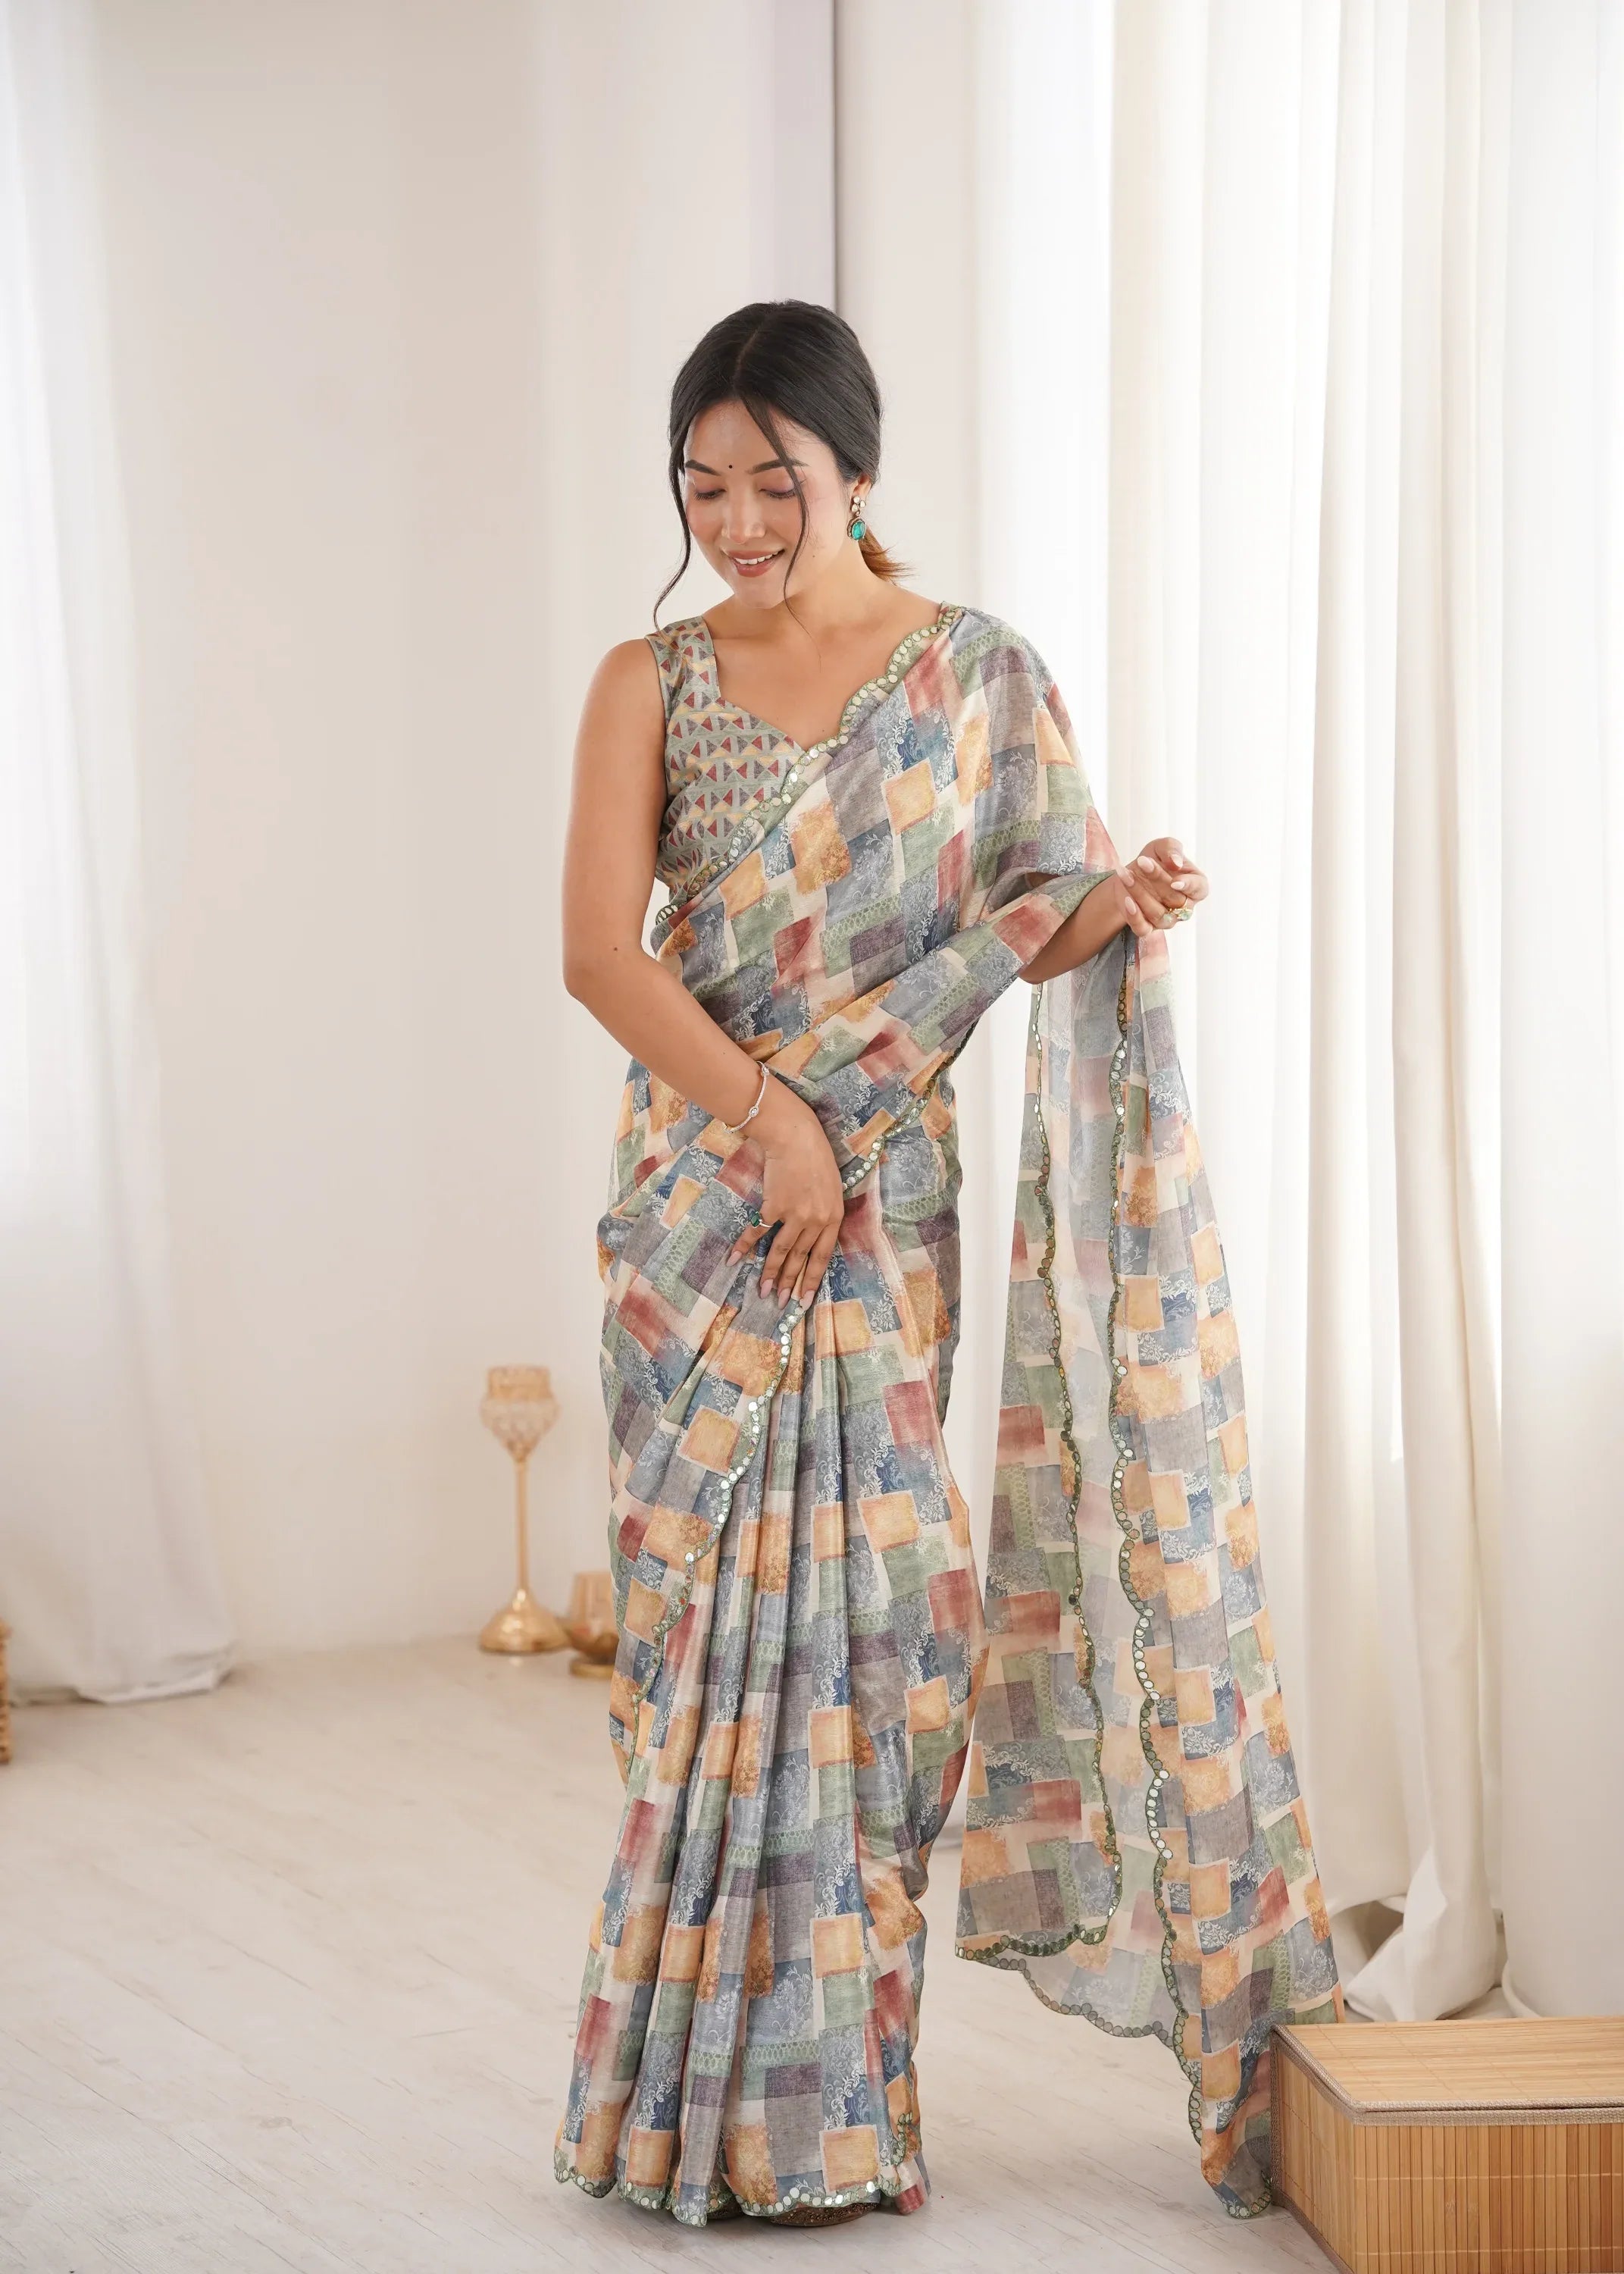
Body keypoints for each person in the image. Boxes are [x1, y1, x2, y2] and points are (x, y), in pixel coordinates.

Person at [553, 301, 1341, 2231]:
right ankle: (673, 2117)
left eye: (774, 481)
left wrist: (1116, 907)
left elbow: (1023, 917)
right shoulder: (647, 679)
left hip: (879, 1226)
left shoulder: (972, 678)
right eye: (702, 485)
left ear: (856, 476)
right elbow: (598, 954)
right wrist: (768, 1120)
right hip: (717, 1218)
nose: (736, 520)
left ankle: (836, 2118)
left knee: (884, 1660)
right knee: (719, 1670)